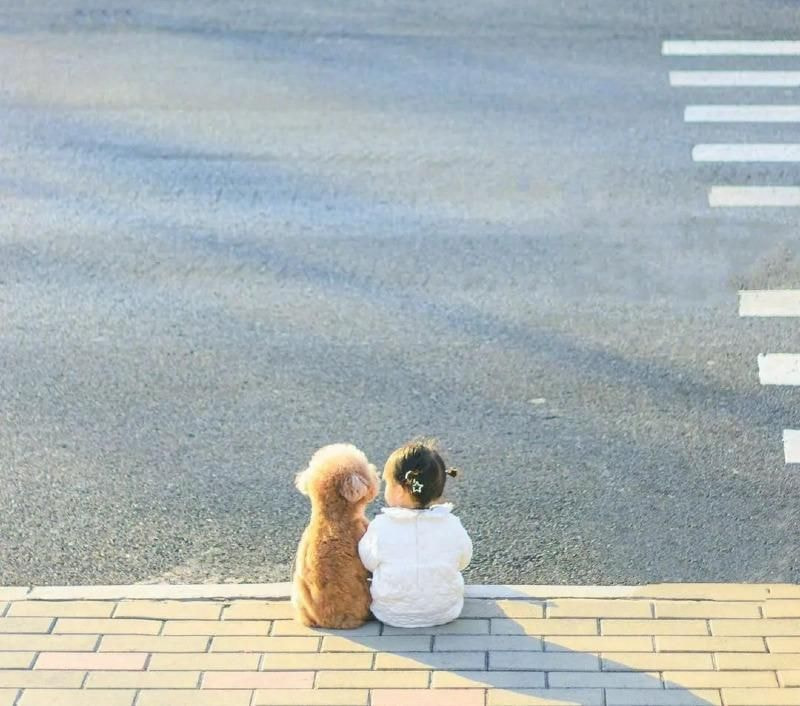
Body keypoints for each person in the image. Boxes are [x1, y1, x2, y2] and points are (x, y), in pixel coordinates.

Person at [358, 440, 472, 628]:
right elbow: (463, 560)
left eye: (388, 483)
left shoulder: (381, 526)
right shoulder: (451, 524)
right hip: (445, 611)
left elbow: (368, 561)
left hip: (390, 613)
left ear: (400, 490)